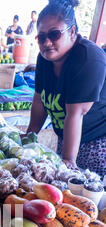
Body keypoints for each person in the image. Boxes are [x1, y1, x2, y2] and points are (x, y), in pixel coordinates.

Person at [26, 0, 106, 177]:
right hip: (67, 136)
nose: (47, 42)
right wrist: (28, 137)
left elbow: (76, 113)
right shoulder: (44, 58)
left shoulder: (88, 58)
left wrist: (68, 160)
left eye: (54, 34)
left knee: (88, 195)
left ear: (72, 31)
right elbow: (39, 99)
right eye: (41, 37)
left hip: (97, 143)